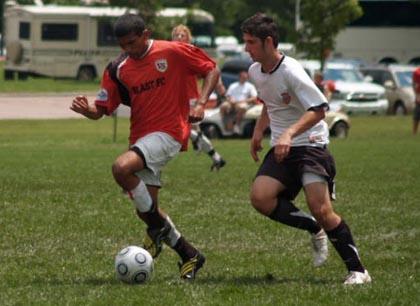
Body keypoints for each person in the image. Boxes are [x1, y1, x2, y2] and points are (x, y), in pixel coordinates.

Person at [70, 14, 220, 280]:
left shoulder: (171, 51)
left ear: (145, 34)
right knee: (146, 211)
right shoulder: (118, 68)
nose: (128, 49)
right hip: (140, 137)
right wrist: (86, 109)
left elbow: (211, 68)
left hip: (170, 132)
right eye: (123, 45)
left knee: (121, 168)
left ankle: (158, 230)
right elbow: (102, 109)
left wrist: (201, 103)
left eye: (132, 43)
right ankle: (190, 255)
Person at [241, 13, 371, 285]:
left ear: (268, 42)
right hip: (283, 146)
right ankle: (314, 228)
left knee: (321, 208)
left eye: (251, 42)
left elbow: (320, 109)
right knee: (261, 198)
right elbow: (269, 101)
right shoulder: (255, 71)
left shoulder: (291, 70)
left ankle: (358, 271)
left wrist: (289, 132)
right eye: (245, 42)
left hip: (311, 145)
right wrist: (257, 131)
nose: (246, 48)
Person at [171, 24, 226, 171]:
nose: (179, 37)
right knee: (190, 130)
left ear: (188, 38)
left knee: (184, 129)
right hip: (176, 98)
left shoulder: (191, 52)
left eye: (183, 35)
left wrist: (219, 87)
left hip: (190, 98)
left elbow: (211, 69)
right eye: (177, 35)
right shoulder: (169, 53)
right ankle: (216, 158)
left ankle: (213, 155)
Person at [412, 67, 420, 134]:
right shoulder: (417, 72)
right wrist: (417, 95)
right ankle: (414, 131)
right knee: (417, 114)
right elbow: (414, 84)